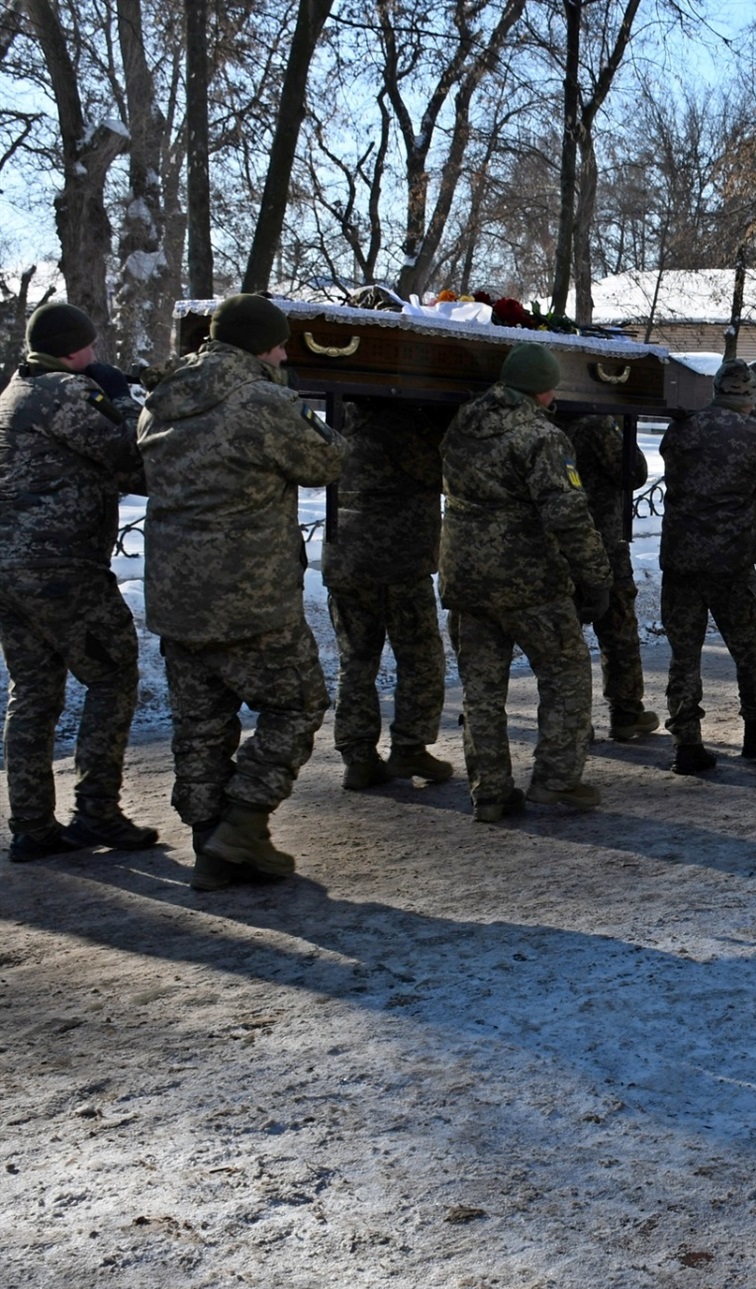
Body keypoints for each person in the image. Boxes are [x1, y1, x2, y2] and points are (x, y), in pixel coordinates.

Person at [137, 293, 345, 889]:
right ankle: (244, 824)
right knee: (299, 703)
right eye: (280, 344)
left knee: (200, 724)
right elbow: (328, 461)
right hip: (250, 595)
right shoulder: (261, 400)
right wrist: (293, 401)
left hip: (176, 596)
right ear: (262, 345)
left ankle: (211, 847)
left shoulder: (162, 399)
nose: (284, 353)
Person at [0, 301, 155, 861]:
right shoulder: (65, 393)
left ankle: (32, 826)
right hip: (62, 568)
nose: (96, 354)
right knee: (113, 676)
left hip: (12, 573)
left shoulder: (13, 392)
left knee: (34, 695)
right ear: (72, 348)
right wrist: (120, 398)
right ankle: (97, 813)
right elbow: (131, 460)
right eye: (89, 346)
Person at [439, 343, 613, 823]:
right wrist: (597, 578)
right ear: (544, 388)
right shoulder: (541, 436)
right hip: (528, 581)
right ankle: (557, 780)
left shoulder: (462, 424)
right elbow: (569, 516)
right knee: (565, 675)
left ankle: (490, 792)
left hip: (466, 579)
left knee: (481, 689)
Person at [656, 359, 756, 776]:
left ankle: (687, 743)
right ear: (750, 395)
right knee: (750, 649)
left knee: (684, 655)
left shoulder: (681, 428)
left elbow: (667, 456)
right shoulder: (754, 434)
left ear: (716, 389)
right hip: (730, 562)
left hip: (680, 561)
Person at [324, 401, 456, 791]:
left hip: (345, 556)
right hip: (398, 557)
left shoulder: (340, 415)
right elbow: (436, 472)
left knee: (356, 660)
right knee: (420, 656)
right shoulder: (402, 420)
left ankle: (358, 756)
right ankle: (410, 747)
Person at [559, 411, 660, 741]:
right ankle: (626, 712)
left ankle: (572, 720)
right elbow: (633, 472)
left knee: (563, 638)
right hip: (603, 540)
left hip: (557, 544)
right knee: (617, 627)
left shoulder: (544, 421)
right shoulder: (597, 422)